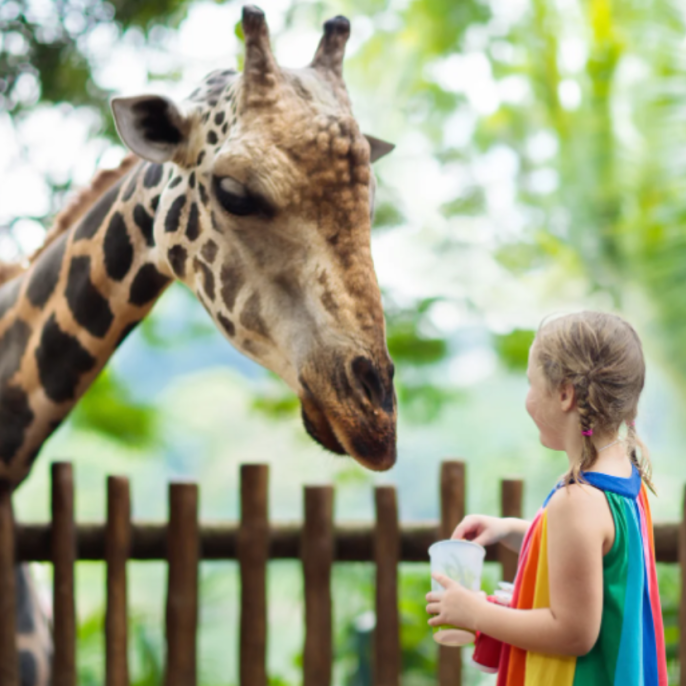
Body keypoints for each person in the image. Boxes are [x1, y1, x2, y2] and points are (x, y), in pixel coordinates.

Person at [426, 311, 667, 685]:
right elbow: (592, 559)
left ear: (565, 394)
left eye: (531, 383)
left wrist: (476, 613)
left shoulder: (577, 500)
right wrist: (512, 530)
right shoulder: (621, 473)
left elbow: (572, 632)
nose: (527, 398)